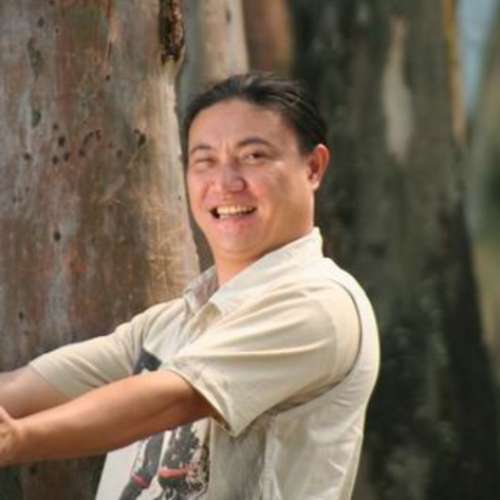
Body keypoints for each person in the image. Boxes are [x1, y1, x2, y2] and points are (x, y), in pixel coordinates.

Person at [0, 72, 380, 500]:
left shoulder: (321, 303)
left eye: (253, 156)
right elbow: (24, 389)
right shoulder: (170, 323)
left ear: (313, 167)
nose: (226, 182)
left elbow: (173, 397)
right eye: (205, 160)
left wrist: (20, 439)